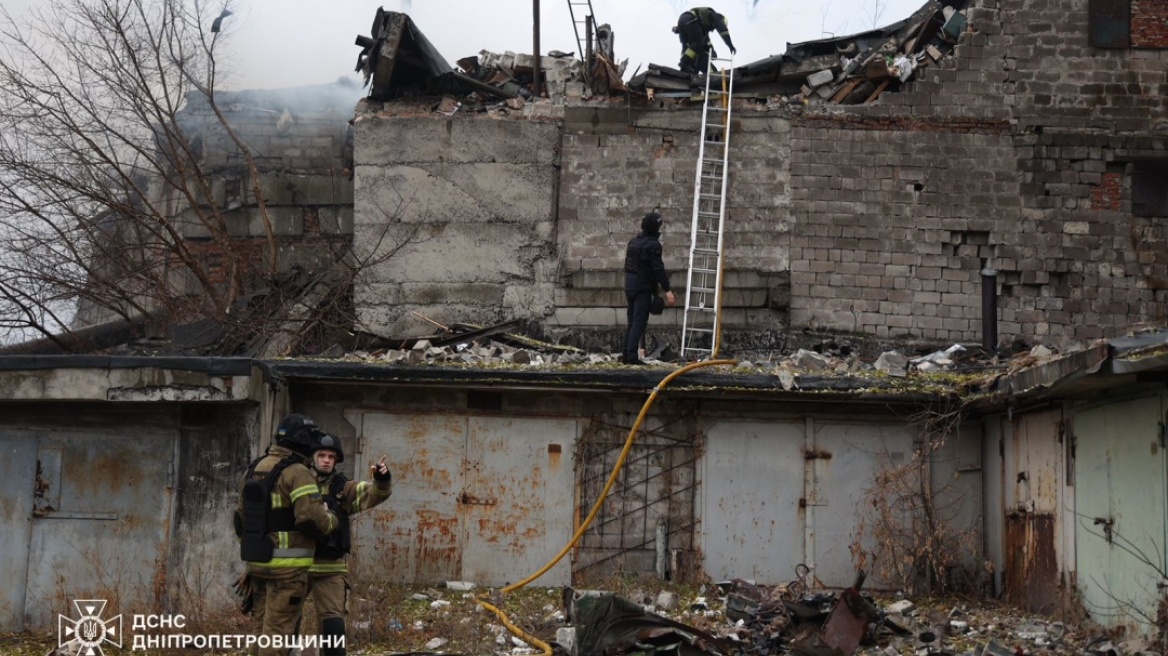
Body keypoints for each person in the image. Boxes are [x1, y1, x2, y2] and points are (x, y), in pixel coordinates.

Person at [236, 413, 339, 656]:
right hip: (288, 569)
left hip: (258, 563)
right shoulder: (297, 472)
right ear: (303, 441)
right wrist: (331, 519)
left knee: (260, 630)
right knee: (277, 633)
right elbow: (310, 518)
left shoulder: (254, 468)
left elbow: (240, 517)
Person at [305, 432, 393, 656]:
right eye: (321, 455)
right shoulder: (298, 482)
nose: (326, 460)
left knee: (333, 626)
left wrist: (381, 478)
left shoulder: (343, 489)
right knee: (285, 623)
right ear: (312, 458)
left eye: (331, 456)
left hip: (330, 567)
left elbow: (374, 493)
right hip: (296, 565)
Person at [622, 211, 676, 365]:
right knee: (639, 322)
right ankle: (632, 357)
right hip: (641, 288)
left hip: (630, 286)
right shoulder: (653, 245)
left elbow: (636, 267)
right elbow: (657, 269)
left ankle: (626, 354)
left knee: (632, 322)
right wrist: (667, 291)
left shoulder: (633, 242)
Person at [672, 7, 737, 75]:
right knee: (698, 42)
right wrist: (730, 45)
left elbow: (706, 39)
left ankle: (685, 68)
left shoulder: (704, 23)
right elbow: (723, 31)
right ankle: (684, 62)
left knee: (687, 45)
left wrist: (712, 51)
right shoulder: (716, 17)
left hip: (683, 20)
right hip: (690, 20)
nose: (713, 29)